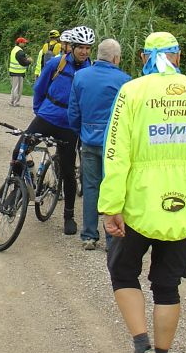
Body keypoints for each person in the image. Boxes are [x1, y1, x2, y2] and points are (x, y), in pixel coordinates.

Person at [99, 32, 186, 353]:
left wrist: (110, 206)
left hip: (138, 203)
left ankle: (142, 349)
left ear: (143, 58)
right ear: (178, 57)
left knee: (124, 274)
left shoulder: (132, 92)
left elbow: (116, 152)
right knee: (167, 287)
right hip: (182, 207)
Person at [18, 25, 94, 234]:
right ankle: (15, 188)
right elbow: (39, 88)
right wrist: (40, 111)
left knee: (68, 172)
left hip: (70, 126)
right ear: (72, 47)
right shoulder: (56, 64)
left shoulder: (90, 71)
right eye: (80, 47)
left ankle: (68, 216)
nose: (84, 51)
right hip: (47, 116)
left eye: (88, 48)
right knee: (19, 151)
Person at [68, 38, 131, 250]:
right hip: (113, 144)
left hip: (88, 140)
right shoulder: (125, 80)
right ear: (115, 58)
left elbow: (73, 112)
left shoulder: (80, 76)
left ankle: (88, 236)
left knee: (90, 187)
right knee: (112, 188)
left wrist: (81, 132)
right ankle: (112, 239)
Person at [8, 36, 33, 107]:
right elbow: (23, 62)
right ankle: (16, 102)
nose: (25, 44)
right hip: (18, 72)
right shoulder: (20, 52)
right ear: (20, 43)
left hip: (13, 71)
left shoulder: (14, 49)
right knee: (18, 88)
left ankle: (12, 101)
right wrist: (29, 61)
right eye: (23, 43)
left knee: (14, 87)